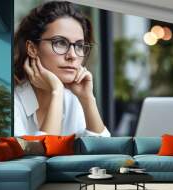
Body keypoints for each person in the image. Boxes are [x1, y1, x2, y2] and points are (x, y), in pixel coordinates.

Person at [14, 1, 110, 137]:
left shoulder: (72, 100)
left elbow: (104, 152)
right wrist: (57, 91)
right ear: (32, 49)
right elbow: (41, 155)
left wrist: (88, 99)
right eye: (60, 43)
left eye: (79, 45)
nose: (72, 55)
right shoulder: (12, 103)